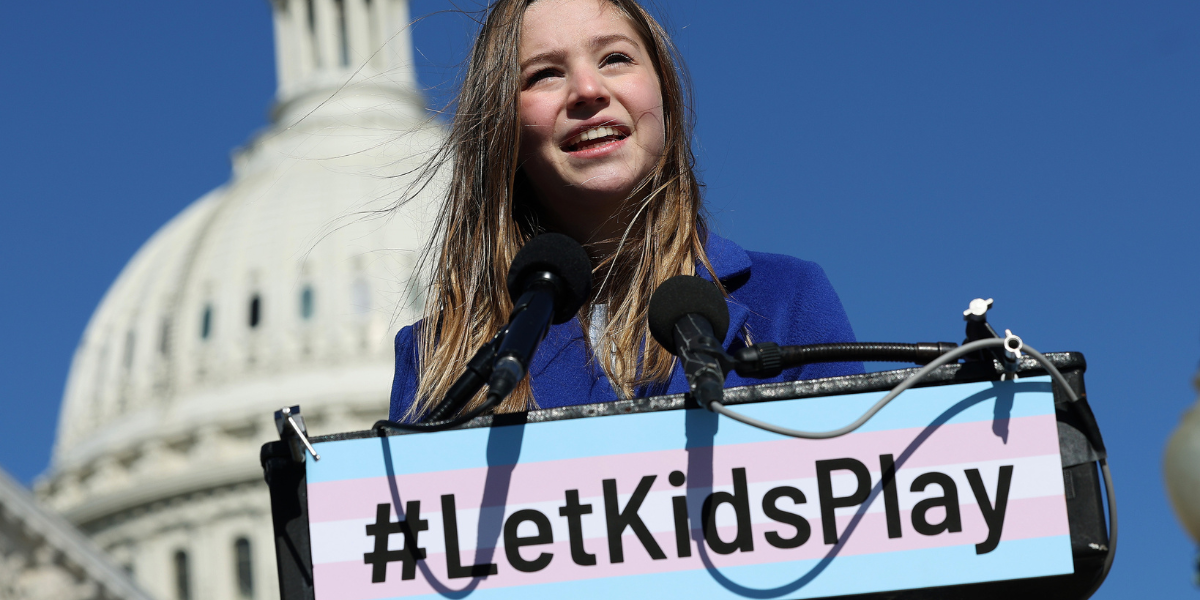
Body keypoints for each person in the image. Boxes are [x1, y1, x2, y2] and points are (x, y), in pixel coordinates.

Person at [389, 0, 862, 423]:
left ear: (665, 98)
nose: (588, 89)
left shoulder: (788, 298)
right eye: (544, 74)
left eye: (615, 58)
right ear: (501, 135)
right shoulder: (434, 358)